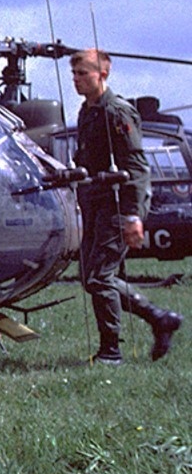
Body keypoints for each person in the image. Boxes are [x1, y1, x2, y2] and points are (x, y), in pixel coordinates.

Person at [69, 48, 182, 363]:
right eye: (74, 75)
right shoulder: (87, 111)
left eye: (83, 74)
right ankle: (160, 319)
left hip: (118, 203)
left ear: (102, 74)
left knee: (99, 278)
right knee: (92, 277)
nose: (77, 80)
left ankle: (111, 353)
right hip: (95, 202)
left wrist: (133, 215)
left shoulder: (117, 112)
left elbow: (136, 166)